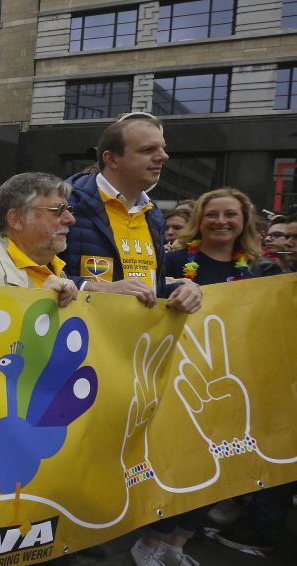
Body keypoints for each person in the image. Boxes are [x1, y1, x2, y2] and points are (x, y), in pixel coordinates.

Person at [134, 188, 267, 566]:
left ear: (244, 222)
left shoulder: (256, 272)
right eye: (212, 214)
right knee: (175, 465)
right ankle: (148, 543)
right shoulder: (173, 262)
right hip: (178, 380)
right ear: (199, 220)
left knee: (219, 467)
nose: (221, 222)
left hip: (229, 384)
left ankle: (177, 545)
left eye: (230, 215)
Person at [62, 113, 201, 314]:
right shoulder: (66, 203)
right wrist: (97, 288)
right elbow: (30, 274)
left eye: (162, 148)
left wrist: (183, 290)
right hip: (79, 340)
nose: (163, 156)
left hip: (137, 342)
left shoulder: (153, 215)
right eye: (148, 150)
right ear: (111, 159)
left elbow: (151, 289)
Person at [0, 172, 78, 307]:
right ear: (16, 219)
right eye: (59, 210)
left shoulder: (55, 267)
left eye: (69, 209)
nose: (71, 219)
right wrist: (39, 302)